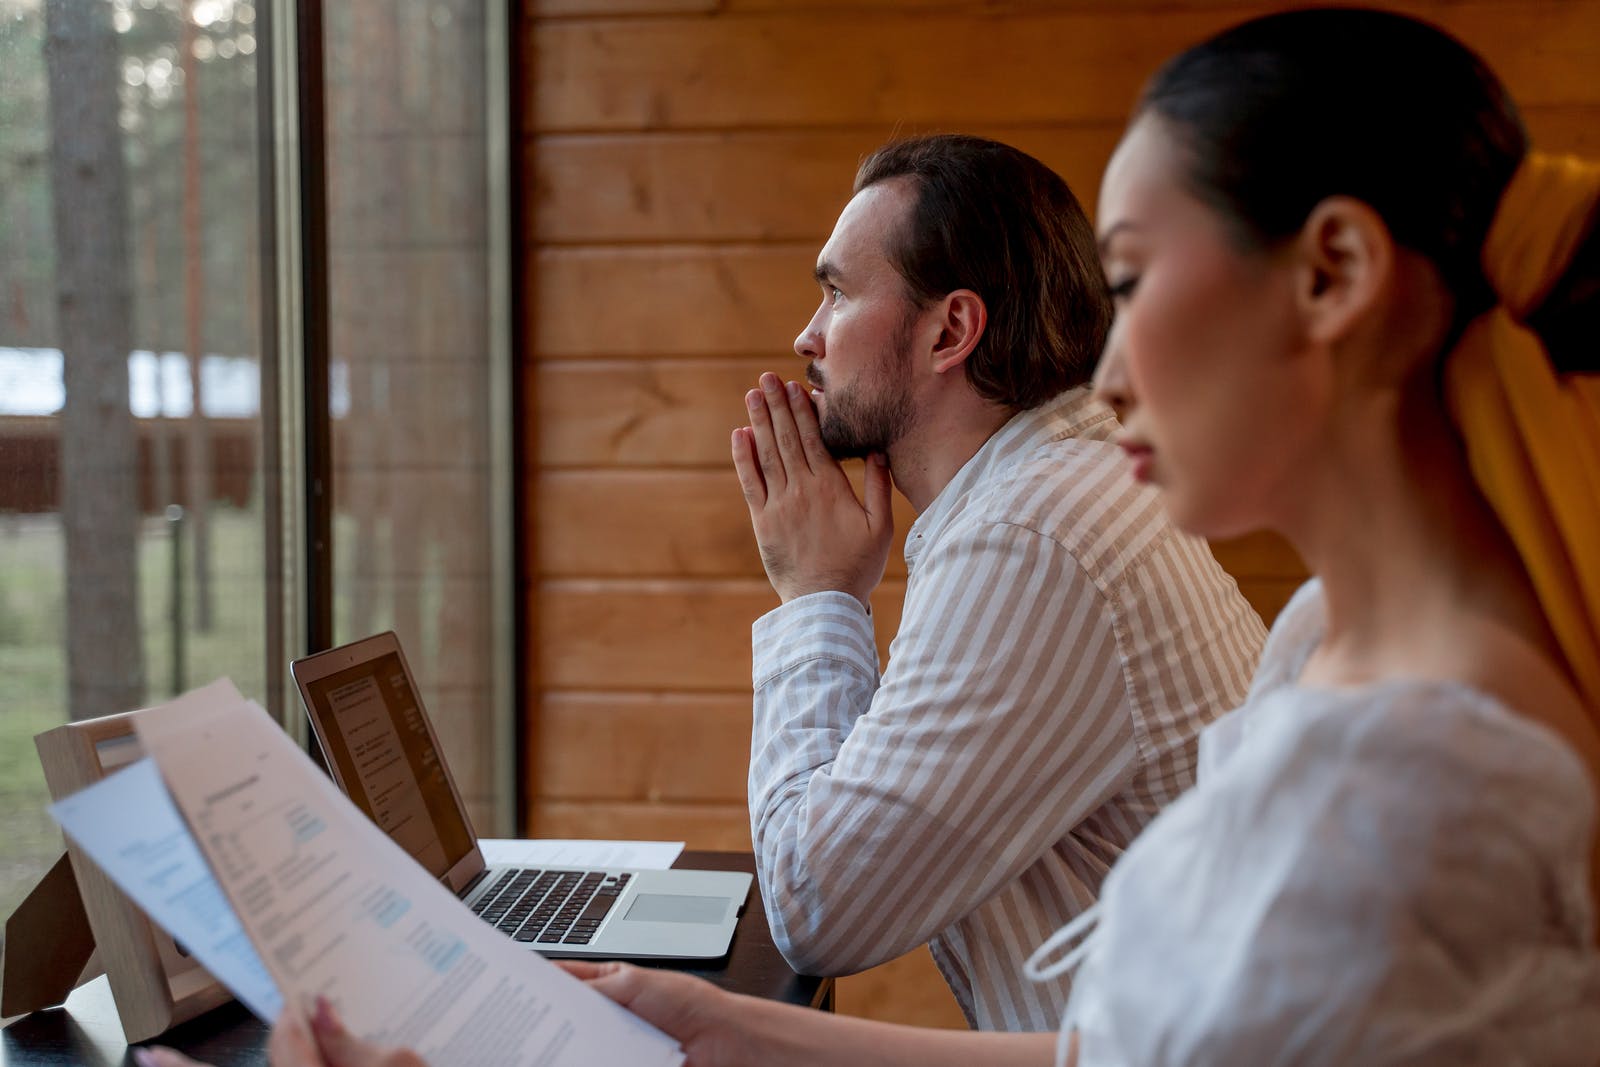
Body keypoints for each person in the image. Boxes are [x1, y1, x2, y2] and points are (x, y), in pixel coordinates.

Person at [145, 7, 1600, 1067]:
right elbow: (1127, 1048)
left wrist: (819, 596)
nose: (1107, 371)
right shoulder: (1322, 643)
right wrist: (719, 1022)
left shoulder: (1397, 773)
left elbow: (824, 902)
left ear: (1333, 271)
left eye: (1138, 276)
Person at [730, 133, 1265, 1029]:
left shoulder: (1034, 533)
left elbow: (817, 906)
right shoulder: (1049, 491)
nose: (806, 335)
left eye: (835, 292)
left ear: (950, 330)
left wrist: (818, 598)